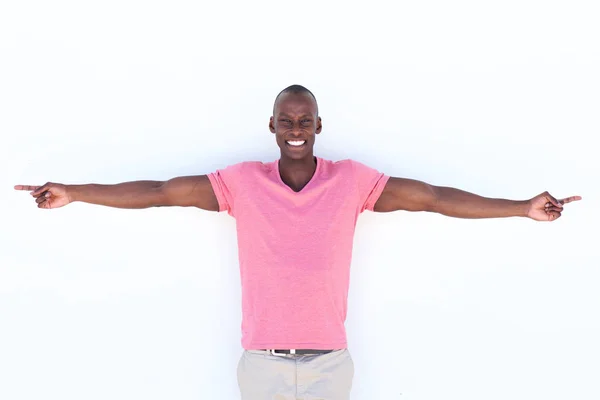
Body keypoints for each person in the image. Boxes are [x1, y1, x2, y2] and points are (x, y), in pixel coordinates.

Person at [15, 84, 581, 400]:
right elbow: (162, 190)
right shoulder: (240, 183)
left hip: (330, 366)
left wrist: (520, 208)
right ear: (272, 126)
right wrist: (76, 192)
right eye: (285, 119)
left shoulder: (353, 181)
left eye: (304, 119)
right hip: (261, 365)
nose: (294, 128)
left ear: (317, 126)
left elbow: (432, 197)